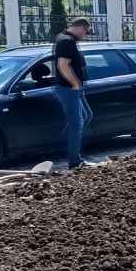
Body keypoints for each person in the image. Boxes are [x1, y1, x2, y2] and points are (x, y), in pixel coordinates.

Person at [53, 18, 93, 170]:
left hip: (73, 89)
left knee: (86, 116)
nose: (85, 35)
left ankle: (72, 146)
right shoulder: (67, 41)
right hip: (68, 89)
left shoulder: (63, 37)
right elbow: (63, 65)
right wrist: (75, 83)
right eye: (86, 31)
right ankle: (74, 161)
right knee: (76, 123)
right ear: (81, 27)